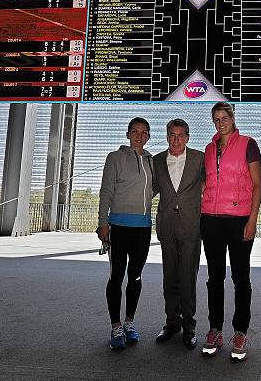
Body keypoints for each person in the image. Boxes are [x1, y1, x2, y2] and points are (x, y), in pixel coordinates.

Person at [200, 102, 261, 361]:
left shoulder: (248, 143)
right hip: (211, 220)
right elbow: (207, 180)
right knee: (214, 278)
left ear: (233, 118)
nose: (220, 122)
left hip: (239, 220)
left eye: (225, 117)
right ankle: (215, 329)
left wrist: (252, 219)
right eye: (216, 118)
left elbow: (258, 185)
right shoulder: (208, 148)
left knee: (240, 278)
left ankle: (240, 331)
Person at [97, 117, 154, 350]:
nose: (139, 136)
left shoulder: (152, 161)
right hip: (119, 227)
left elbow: (156, 188)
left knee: (136, 277)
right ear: (128, 134)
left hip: (143, 227)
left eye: (144, 132)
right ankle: (116, 325)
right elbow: (106, 191)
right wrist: (103, 223)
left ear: (148, 136)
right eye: (135, 131)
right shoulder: (115, 158)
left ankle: (130, 322)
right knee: (117, 277)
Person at [152, 119, 205, 349]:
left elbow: (212, 181)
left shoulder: (199, 158)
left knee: (187, 279)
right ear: (166, 136)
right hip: (167, 227)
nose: (176, 139)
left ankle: (189, 327)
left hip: (192, 226)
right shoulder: (156, 161)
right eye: (172, 135)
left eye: (181, 135)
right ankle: (172, 322)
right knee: (169, 278)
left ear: (188, 137)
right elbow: (148, 189)